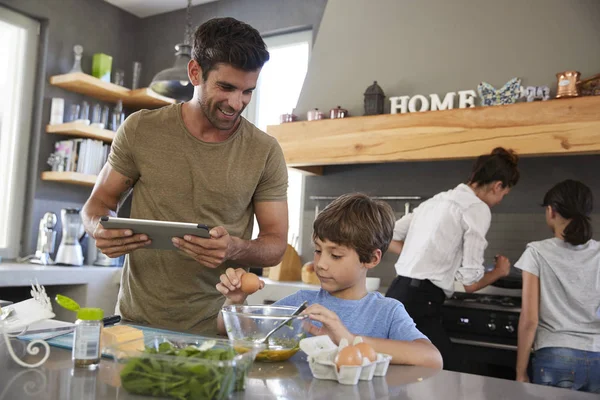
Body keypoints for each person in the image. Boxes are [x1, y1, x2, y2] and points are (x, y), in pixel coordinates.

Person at [81, 17, 289, 334]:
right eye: (226, 87)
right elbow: (98, 205)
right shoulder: (141, 129)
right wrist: (98, 229)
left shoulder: (265, 151)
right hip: (135, 325)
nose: (236, 103)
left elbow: (275, 244)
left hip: (219, 328)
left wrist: (233, 248)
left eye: (248, 92)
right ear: (195, 73)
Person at [216, 193, 443, 369]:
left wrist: (349, 339)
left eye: (335, 255)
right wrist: (236, 302)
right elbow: (237, 332)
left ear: (371, 259)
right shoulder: (302, 303)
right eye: (317, 250)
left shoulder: (387, 311)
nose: (320, 264)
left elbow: (432, 358)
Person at [385, 147, 519, 369]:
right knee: (445, 371)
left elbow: (386, 236)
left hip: (397, 292)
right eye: (503, 194)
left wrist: (420, 253)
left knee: (401, 372)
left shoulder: (436, 200)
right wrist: (499, 271)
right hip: (422, 302)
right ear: (497, 186)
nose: (499, 201)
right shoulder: (477, 209)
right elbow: (470, 283)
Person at [515, 180, 600, 393]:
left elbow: (530, 319)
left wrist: (520, 371)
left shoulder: (536, 252)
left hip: (555, 357)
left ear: (551, 211)